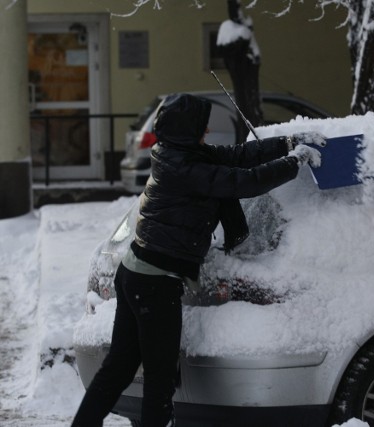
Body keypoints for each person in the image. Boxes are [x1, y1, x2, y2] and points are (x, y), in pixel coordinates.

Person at [71, 93, 323, 427]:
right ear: (186, 130)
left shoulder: (177, 153)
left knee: (118, 368)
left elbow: (237, 156)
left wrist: (288, 143)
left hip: (135, 273)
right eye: (201, 128)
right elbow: (243, 181)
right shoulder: (188, 168)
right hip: (155, 285)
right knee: (159, 383)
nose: (206, 134)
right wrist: (294, 162)